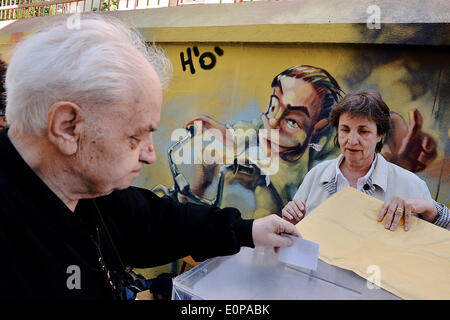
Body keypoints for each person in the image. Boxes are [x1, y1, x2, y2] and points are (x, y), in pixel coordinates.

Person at [0, 15, 301, 300]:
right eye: (135, 136)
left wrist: (247, 230)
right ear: (67, 127)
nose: (150, 154)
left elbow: (159, 222)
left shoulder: (88, 191)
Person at [282, 90, 449, 231]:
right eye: (345, 130)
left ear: (380, 135)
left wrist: (430, 209)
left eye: (363, 131)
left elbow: (440, 239)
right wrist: (290, 218)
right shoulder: (317, 175)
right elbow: (295, 230)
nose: (352, 140)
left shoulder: (410, 184)